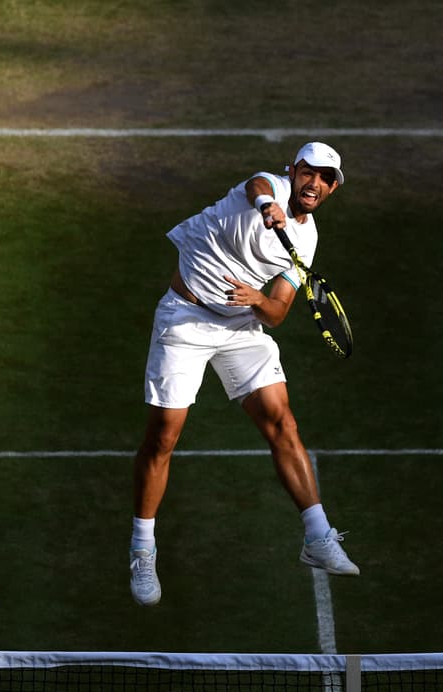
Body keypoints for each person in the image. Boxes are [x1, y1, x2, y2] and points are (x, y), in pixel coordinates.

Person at [127, 142, 359, 607]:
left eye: (326, 179)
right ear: (292, 172)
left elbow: (276, 313)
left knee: (282, 422)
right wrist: (266, 206)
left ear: (333, 189)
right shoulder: (266, 187)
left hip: (241, 328)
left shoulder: (307, 242)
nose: (315, 184)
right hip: (185, 318)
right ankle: (142, 548)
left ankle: (316, 537)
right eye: (309, 174)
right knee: (164, 437)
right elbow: (257, 186)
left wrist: (257, 300)